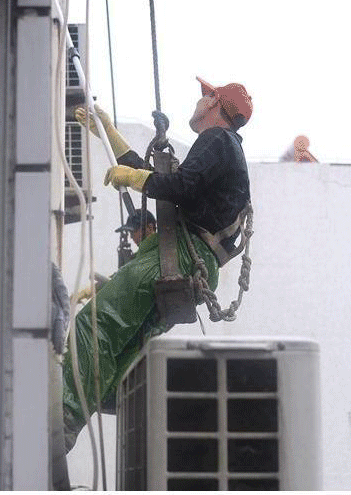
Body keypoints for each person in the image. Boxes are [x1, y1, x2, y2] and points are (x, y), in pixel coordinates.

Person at [63, 78, 252, 452]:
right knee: (125, 347)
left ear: (214, 101)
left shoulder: (217, 140)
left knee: (96, 321)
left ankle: (63, 419)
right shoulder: (226, 151)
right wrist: (108, 132)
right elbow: (167, 181)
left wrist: (135, 178)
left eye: (204, 95)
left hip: (180, 252)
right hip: (195, 262)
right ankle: (77, 418)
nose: (198, 102)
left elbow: (176, 186)